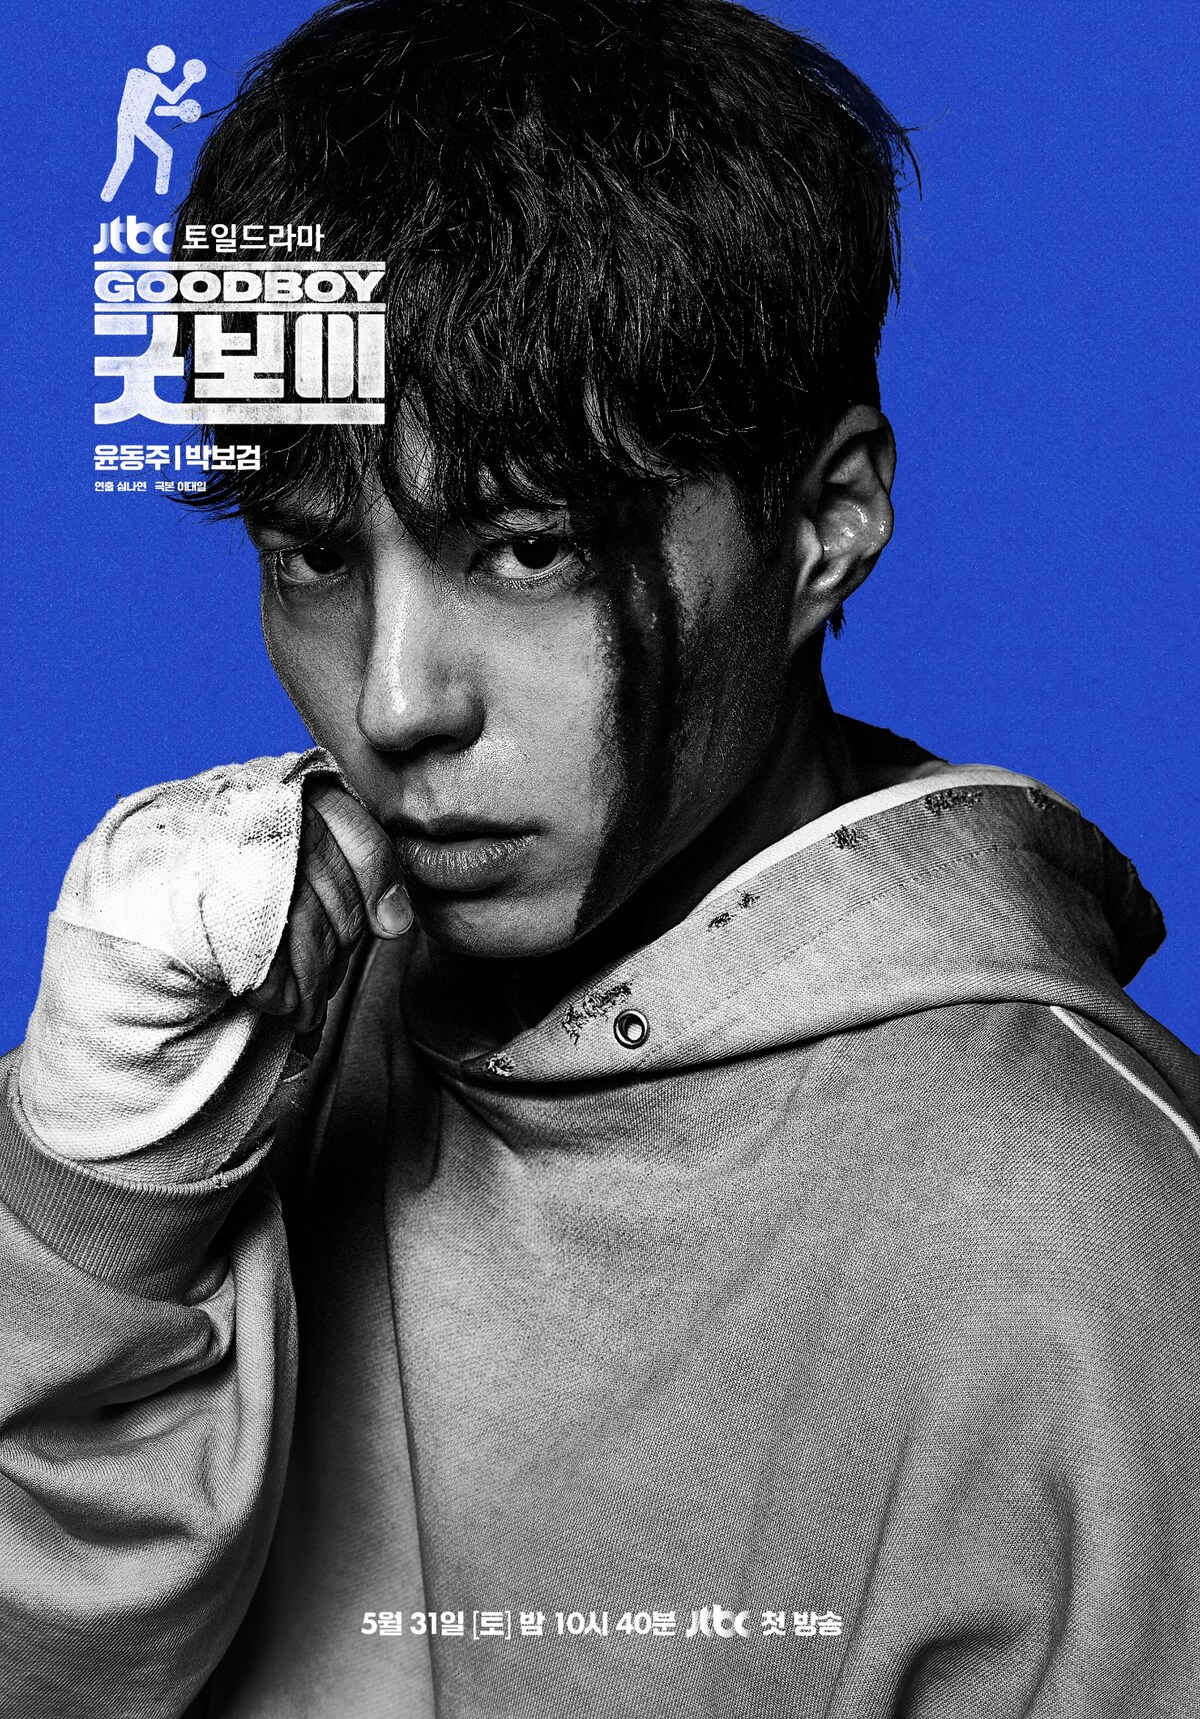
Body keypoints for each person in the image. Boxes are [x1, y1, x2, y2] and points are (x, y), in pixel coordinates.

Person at [4, 1, 1200, 1715]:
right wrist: (83, 1212)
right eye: (313, 556)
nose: (396, 702)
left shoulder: (1097, 1243)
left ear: (825, 524)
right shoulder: (240, 1041)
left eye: (527, 549)